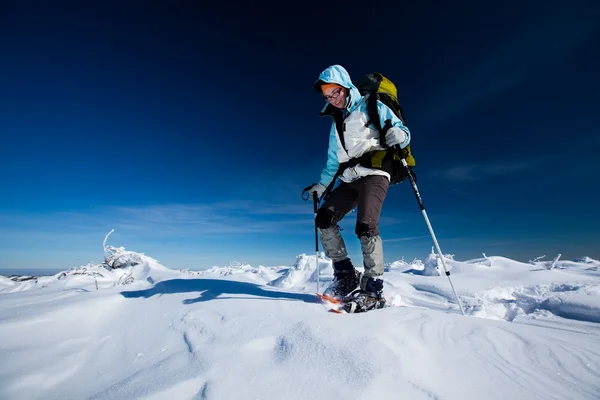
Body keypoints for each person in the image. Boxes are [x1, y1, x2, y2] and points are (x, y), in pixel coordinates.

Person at [308, 65, 411, 311]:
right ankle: (346, 276)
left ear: (346, 86)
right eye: (327, 96)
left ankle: (373, 291)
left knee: (366, 224)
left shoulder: (371, 105)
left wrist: (400, 134)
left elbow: (403, 131)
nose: (332, 99)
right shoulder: (337, 122)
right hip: (350, 178)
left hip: (375, 172)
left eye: (335, 92)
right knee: (324, 218)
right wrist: (321, 186)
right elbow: (334, 161)